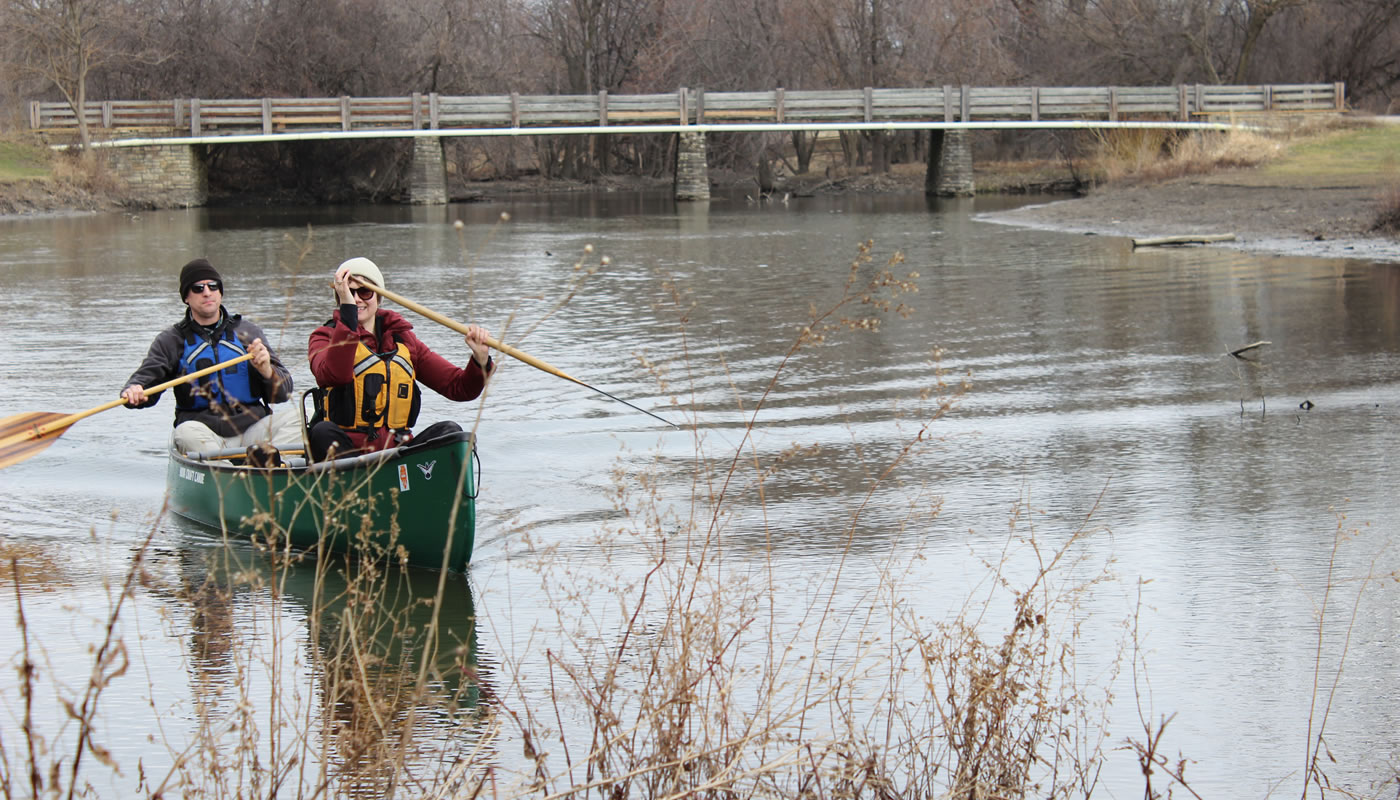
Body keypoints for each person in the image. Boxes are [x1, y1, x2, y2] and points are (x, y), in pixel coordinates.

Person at [305, 257, 495, 462]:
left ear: (378, 297)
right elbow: (335, 375)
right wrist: (348, 315)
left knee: (451, 432)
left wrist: (480, 360)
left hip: (396, 453)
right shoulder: (324, 337)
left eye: (365, 292)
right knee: (322, 432)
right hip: (348, 455)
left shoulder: (404, 341)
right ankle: (351, 489)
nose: (357, 299)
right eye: (349, 293)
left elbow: (459, 388)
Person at [122, 258, 301, 459]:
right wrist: (135, 390)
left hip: (252, 429)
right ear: (186, 297)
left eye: (213, 286)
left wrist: (266, 370)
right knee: (184, 432)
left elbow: (283, 394)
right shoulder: (171, 341)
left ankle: (270, 469)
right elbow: (145, 381)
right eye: (198, 288)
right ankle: (225, 476)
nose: (207, 292)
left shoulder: (248, 333)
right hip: (205, 434)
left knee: (301, 416)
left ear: (220, 292)